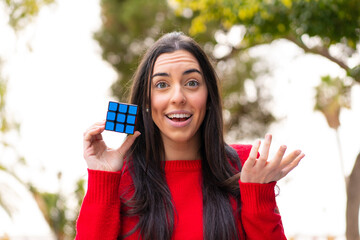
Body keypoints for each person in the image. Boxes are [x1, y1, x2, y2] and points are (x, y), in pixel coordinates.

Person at [76, 32, 305, 240]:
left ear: (208, 97)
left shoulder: (245, 166)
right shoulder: (117, 175)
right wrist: (102, 178)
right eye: (162, 84)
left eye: (192, 83)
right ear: (146, 100)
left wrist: (258, 197)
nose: (178, 97)